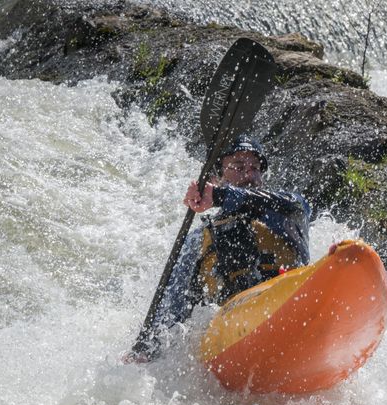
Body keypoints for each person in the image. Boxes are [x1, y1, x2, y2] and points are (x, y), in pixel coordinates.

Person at [126, 134, 311, 362]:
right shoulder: (199, 238)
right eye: (238, 166)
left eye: (255, 167)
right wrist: (148, 347)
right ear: (216, 177)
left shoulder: (286, 208)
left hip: (288, 302)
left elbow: (294, 204)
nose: (249, 174)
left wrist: (221, 195)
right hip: (231, 326)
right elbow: (175, 301)